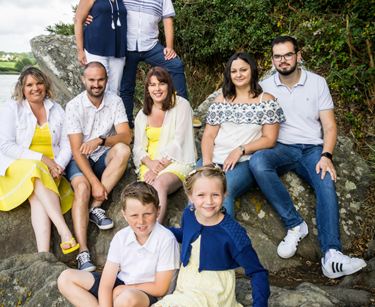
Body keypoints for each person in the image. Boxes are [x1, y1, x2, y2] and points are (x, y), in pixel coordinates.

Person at [131, 166, 270, 307]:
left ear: (225, 194)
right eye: (201, 195)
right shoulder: (189, 214)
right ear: (190, 196)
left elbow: (258, 272)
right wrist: (158, 230)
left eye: (215, 194)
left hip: (212, 292)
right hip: (186, 289)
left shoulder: (233, 233)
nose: (208, 201)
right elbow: (187, 236)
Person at [249, 35, 367, 279]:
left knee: (325, 179)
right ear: (272, 59)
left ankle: (331, 255)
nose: (283, 60)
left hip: (312, 149)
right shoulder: (264, 87)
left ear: (298, 56)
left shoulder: (317, 82)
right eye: (278, 56)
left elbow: (330, 126)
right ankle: (295, 224)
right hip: (281, 148)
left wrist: (326, 155)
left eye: (288, 55)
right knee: (258, 162)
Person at [57, 182, 180, 307]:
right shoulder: (121, 237)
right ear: (124, 215)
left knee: (125, 299)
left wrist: (123, 290)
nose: (141, 221)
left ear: (158, 210)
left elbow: (160, 288)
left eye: (147, 213)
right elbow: (106, 283)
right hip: (122, 287)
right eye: (134, 215)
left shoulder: (166, 240)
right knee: (66, 278)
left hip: (150, 296)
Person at [85, 0, 201, 129]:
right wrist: (87, 15)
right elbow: (103, 1)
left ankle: (185, 113)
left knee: (176, 65)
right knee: (127, 87)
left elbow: (167, 20)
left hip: (151, 46)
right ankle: (127, 125)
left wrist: (169, 46)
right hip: (126, 46)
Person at [0, 67, 77, 254]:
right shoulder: (12, 109)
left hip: (49, 172)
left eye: (39, 83)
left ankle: (43, 254)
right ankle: (64, 231)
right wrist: (44, 160)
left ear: (46, 85)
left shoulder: (57, 110)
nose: (35, 88)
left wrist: (58, 166)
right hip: (15, 168)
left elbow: (67, 145)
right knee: (35, 169)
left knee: (37, 197)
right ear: (22, 88)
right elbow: (6, 146)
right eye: (29, 85)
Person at [197, 52, 285, 217]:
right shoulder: (220, 100)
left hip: (243, 161)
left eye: (243, 70)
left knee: (222, 192)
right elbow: (208, 135)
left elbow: (270, 139)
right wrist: (207, 164)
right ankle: (197, 233)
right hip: (214, 157)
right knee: (197, 191)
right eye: (234, 71)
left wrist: (240, 149)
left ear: (252, 70)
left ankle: (226, 234)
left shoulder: (266, 101)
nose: (238, 75)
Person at [65, 62, 131, 272]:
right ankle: (83, 252)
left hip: (102, 155)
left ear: (107, 80)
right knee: (82, 188)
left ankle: (95, 207)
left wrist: (100, 140)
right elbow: (76, 151)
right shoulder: (73, 106)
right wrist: (94, 182)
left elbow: (126, 137)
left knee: (123, 150)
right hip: (79, 159)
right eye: (91, 80)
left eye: (100, 79)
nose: (96, 84)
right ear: (84, 80)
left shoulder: (115, 101)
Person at [133, 67, 196, 222]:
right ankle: (142, 232)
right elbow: (138, 148)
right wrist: (150, 164)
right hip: (150, 164)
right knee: (144, 195)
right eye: (152, 85)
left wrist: (159, 168)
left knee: (159, 184)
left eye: (162, 83)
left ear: (169, 85)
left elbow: (179, 139)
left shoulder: (181, 105)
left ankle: (155, 231)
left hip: (176, 161)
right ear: (147, 89)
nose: (157, 89)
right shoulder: (142, 114)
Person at [74, 0, 127, 95]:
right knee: (99, 89)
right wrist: (80, 50)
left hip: (118, 50)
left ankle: (113, 112)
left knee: (115, 90)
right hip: (96, 48)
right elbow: (78, 20)